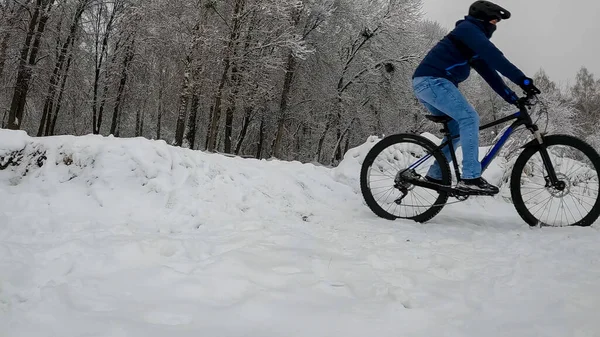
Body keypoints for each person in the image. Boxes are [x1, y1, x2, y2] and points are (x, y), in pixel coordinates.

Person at [412, 0, 540, 195]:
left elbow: (491, 75)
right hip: (433, 81)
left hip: (429, 84)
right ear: (483, 19)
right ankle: (470, 178)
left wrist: (513, 98)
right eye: (494, 21)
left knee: (456, 130)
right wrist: (523, 81)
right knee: (469, 117)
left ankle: (435, 175)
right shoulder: (468, 30)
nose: (494, 26)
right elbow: (495, 57)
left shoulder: (470, 44)